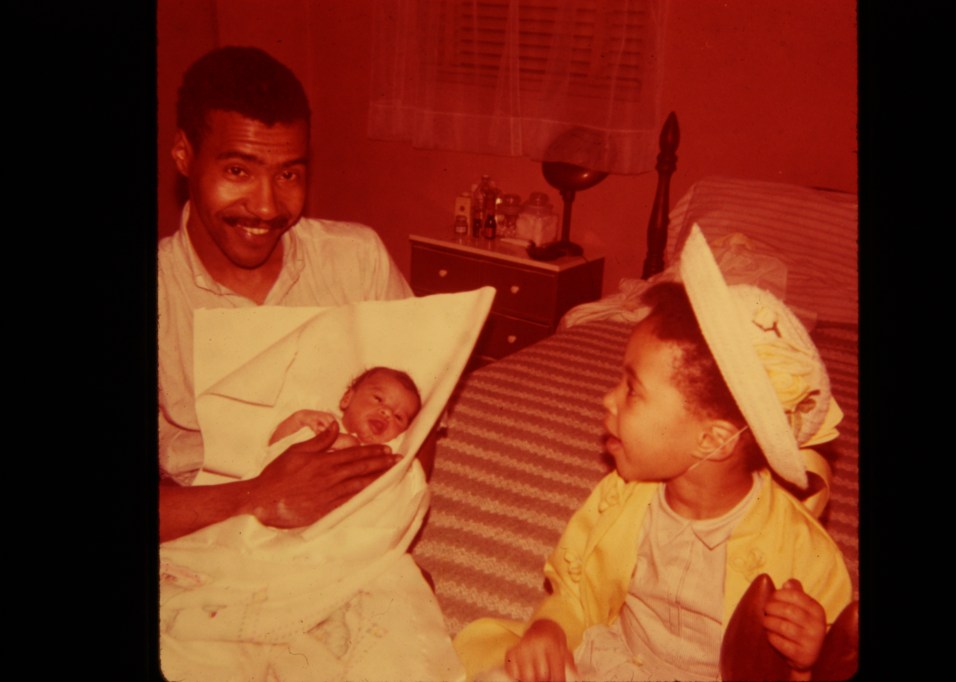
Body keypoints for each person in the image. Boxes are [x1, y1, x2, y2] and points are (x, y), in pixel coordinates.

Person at [453, 225, 853, 682]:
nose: (607, 399)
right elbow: (576, 587)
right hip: (615, 663)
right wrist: (550, 627)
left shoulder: (801, 550)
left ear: (713, 440)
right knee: (501, 665)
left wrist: (807, 660)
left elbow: (820, 650)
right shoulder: (621, 497)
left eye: (632, 389)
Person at [158, 45, 415, 543]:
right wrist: (257, 497)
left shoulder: (356, 258)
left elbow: (424, 407)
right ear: (184, 155)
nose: (266, 206)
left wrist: (382, 517)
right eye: (238, 171)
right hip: (205, 529)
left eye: (288, 175)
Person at [269, 366, 422, 448]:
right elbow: (273, 448)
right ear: (347, 398)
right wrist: (299, 419)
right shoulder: (320, 421)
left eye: (398, 417)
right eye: (378, 399)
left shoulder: (382, 454)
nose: (387, 412)